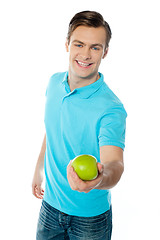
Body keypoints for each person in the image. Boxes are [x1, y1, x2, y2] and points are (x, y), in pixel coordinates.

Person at [32, 10, 127, 240]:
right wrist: (38, 169)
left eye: (95, 47)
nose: (85, 54)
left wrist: (99, 180)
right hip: (50, 207)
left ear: (105, 52)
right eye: (79, 44)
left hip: (90, 220)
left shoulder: (111, 108)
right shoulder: (54, 83)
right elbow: (54, 128)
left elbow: (114, 163)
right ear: (67, 44)